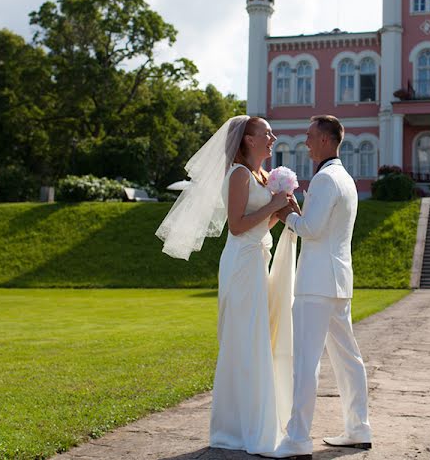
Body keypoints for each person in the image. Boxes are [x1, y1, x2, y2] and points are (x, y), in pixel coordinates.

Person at [154, 115, 294, 455]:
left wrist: (282, 209)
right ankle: (237, 428)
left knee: (258, 337)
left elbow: (259, 226)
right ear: (248, 139)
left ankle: (253, 421)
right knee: (244, 340)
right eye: (267, 133)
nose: (273, 137)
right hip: (242, 264)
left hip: (257, 259)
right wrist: (275, 205)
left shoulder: (262, 176)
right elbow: (236, 225)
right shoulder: (240, 174)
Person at [267, 115, 372, 459]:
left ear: (326, 140)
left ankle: (297, 439)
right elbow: (323, 227)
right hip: (339, 280)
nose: (306, 142)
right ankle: (358, 428)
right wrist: (298, 210)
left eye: (311, 137)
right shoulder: (344, 178)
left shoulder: (326, 178)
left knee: (306, 361)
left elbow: (310, 230)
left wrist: (284, 215)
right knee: (348, 358)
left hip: (316, 283)